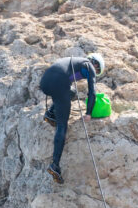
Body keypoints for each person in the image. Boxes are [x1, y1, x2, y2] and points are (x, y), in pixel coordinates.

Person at [39, 53, 105, 184]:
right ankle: (55, 165)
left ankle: (50, 113)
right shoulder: (89, 65)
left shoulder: (74, 60)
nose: (94, 73)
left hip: (45, 82)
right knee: (62, 126)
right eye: (97, 71)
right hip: (58, 83)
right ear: (95, 64)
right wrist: (89, 113)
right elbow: (92, 92)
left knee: (72, 92)